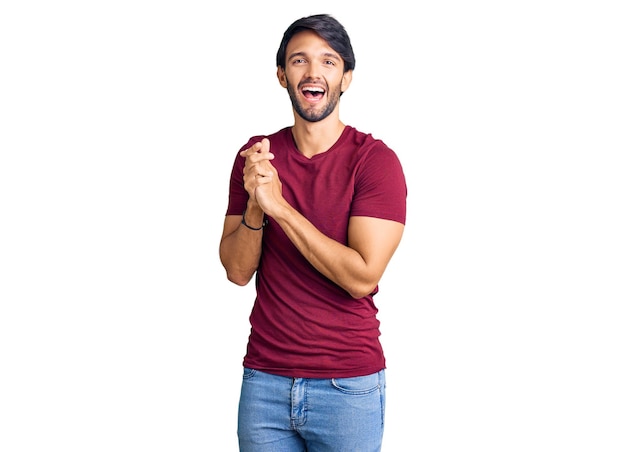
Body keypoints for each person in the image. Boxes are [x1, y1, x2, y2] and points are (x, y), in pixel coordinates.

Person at [219, 13, 407, 451]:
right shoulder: (257, 157)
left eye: (328, 60)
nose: (313, 71)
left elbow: (361, 277)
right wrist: (256, 202)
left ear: (346, 78)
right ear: (283, 75)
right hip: (264, 381)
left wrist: (280, 208)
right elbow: (236, 271)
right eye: (299, 61)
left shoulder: (375, 162)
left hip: (347, 387)